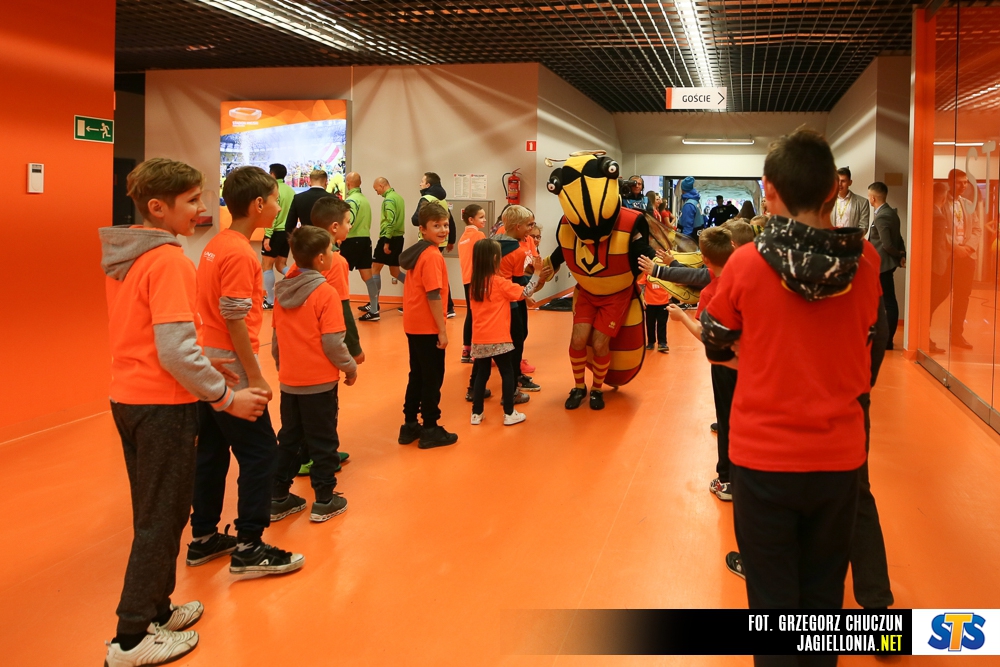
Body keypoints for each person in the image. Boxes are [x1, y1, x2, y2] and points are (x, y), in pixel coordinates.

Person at [700, 129, 880, 663]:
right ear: (832, 190)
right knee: (823, 601)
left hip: (763, 459)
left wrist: (761, 353)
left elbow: (716, 343)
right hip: (839, 457)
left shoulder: (746, 264)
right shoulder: (867, 261)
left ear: (769, 190)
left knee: (773, 603)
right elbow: (869, 338)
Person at [99, 159, 268, 667]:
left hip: (129, 397)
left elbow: (153, 336)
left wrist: (206, 364)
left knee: (160, 511)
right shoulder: (168, 260)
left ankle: (157, 608)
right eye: (192, 200)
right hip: (161, 406)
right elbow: (174, 351)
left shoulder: (128, 255)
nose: (201, 208)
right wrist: (226, 397)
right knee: (161, 517)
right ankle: (131, 637)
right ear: (158, 207)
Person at [189, 166, 305, 578]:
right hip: (230, 365)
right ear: (258, 204)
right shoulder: (239, 252)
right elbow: (234, 317)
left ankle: (203, 537)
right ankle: (249, 547)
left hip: (210, 358)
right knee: (261, 452)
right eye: (274, 199)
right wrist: (254, 376)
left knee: (212, 450)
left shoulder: (216, 244)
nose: (277, 204)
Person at [541, 152, 656, 410]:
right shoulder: (568, 224)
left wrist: (665, 269)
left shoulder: (631, 221)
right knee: (577, 340)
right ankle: (578, 386)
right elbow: (563, 250)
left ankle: (596, 389)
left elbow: (643, 251)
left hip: (617, 295)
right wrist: (547, 268)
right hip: (586, 292)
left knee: (601, 342)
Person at [269, 226, 357, 523]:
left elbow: (276, 341)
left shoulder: (282, 291)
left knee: (289, 438)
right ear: (321, 258)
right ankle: (324, 499)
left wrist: (283, 367)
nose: (333, 253)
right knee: (323, 440)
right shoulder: (325, 293)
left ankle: (278, 496)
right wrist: (349, 366)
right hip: (319, 384)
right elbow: (332, 342)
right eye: (331, 249)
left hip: (290, 381)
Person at [655, 228, 737, 500]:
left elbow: (705, 335)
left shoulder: (712, 292)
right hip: (753, 363)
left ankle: (726, 480)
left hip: (726, 365)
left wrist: (681, 317)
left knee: (726, 419)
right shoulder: (747, 279)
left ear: (705, 258)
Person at [285, 196, 362, 477]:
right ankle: (321, 458)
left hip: (297, 349)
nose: (350, 227)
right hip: (321, 348)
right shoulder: (336, 261)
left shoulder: (297, 263)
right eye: (347, 222)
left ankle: (313, 453)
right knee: (323, 410)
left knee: (302, 414)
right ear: (334, 227)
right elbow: (342, 308)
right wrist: (354, 349)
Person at [397, 202, 459, 449]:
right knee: (432, 378)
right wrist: (442, 330)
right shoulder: (432, 256)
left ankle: (410, 424)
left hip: (413, 324)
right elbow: (433, 295)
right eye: (436, 226)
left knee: (418, 375)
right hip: (427, 326)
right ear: (422, 229)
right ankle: (430, 427)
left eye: (445, 225)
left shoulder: (419, 252)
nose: (443, 230)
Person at [468, 238, 542, 426]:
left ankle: (476, 413)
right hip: (499, 338)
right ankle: (509, 413)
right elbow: (525, 292)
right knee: (507, 373)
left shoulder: (474, 284)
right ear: (495, 259)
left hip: (479, 338)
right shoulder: (500, 283)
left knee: (482, 374)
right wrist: (537, 273)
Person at [493, 205, 542, 395]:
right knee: (517, 338)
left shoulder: (493, 243)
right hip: (512, 299)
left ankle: (476, 387)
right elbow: (518, 280)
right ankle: (512, 385)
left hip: (500, 298)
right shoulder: (516, 250)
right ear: (517, 226)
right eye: (529, 225)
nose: (531, 229)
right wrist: (537, 276)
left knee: (513, 338)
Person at [411, 171, 457, 317]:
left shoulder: (425, 198)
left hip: (427, 240)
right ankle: (449, 306)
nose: (420, 184)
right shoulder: (442, 200)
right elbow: (451, 221)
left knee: (427, 274)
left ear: (428, 185)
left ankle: (423, 303)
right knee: (439, 272)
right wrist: (451, 240)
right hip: (442, 241)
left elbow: (416, 219)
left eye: (422, 181)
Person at [867, 182, 906, 350]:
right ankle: (885, 337)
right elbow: (899, 238)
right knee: (886, 301)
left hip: (882, 265)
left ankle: (887, 340)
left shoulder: (881, 216)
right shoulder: (891, 213)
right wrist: (902, 254)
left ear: (873, 198)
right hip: (886, 264)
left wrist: (898, 254)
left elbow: (887, 244)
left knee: (888, 302)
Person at [945, 168, 981, 350]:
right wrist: (955, 248)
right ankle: (924, 334)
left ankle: (957, 335)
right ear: (950, 183)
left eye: (965, 182)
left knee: (962, 296)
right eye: (959, 182)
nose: (963, 186)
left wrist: (967, 248)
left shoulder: (968, 204)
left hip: (966, 257)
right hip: (948, 256)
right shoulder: (941, 203)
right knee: (939, 294)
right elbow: (939, 230)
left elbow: (977, 229)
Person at [361, 176, 405, 321]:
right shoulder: (398, 197)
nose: (377, 193)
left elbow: (390, 221)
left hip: (389, 238)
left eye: (376, 189)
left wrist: (386, 241)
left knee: (374, 269)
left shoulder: (389, 200)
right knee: (395, 272)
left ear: (381, 185)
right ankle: (416, 289)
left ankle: (374, 308)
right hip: (398, 238)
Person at [338, 172, 379, 318]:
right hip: (365, 240)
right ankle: (374, 309)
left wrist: (339, 237)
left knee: (339, 274)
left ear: (348, 184)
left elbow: (350, 221)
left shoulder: (351, 200)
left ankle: (339, 309)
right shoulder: (364, 200)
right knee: (368, 276)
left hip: (351, 241)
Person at [262, 164, 295, 309]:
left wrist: (268, 235)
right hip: (287, 233)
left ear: (272, 175)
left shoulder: (273, 191)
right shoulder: (291, 191)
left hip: (275, 232)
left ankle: (270, 300)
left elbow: (273, 214)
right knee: (281, 265)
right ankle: (298, 279)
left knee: (266, 265)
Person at [458, 204, 487, 364]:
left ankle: (466, 349)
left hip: (466, 279)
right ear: (471, 219)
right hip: (479, 279)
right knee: (479, 315)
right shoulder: (479, 235)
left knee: (470, 313)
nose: (484, 220)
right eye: (481, 217)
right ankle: (477, 351)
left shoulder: (462, 238)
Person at [831, 166, 871, 234]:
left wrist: (851, 237)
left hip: (852, 239)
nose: (840, 184)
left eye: (843, 181)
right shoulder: (828, 201)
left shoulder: (862, 202)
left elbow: (864, 227)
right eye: (837, 181)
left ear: (850, 182)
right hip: (833, 238)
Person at [638, 270, 670, 353]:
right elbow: (641, 285)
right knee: (650, 323)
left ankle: (662, 343)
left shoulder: (665, 269)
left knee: (662, 323)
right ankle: (651, 342)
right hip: (650, 302)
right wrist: (642, 298)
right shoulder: (647, 271)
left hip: (664, 302)